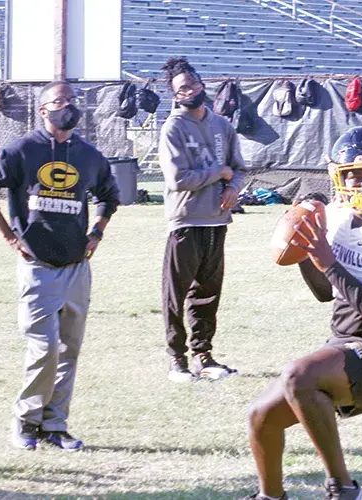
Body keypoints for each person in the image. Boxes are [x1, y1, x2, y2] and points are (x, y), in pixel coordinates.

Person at [244, 127, 362, 500]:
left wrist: (328, 261)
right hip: (344, 344)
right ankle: (270, 497)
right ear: (338, 177)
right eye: (355, 175)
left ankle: (345, 490)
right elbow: (323, 292)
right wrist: (305, 247)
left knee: (299, 375)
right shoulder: (337, 218)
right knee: (261, 417)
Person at [0, 81, 120, 451]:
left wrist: (96, 232)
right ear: (42, 110)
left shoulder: (88, 155)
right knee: (45, 348)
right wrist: (10, 237)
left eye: (71, 100)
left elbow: (109, 195)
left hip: (76, 268)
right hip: (38, 265)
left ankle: (55, 425)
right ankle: (25, 421)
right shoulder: (23, 150)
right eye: (58, 101)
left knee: (69, 350)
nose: (67, 106)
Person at [159, 57, 247, 382]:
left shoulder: (222, 125)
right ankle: (176, 359)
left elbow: (239, 169)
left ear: (202, 84)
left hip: (217, 221)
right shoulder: (173, 128)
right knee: (176, 294)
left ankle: (203, 355)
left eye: (193, 84)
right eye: (183, 89)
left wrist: (233, 188)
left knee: (208, 292)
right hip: (186, 220)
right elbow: (177, 179)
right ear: (175, 95)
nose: (191, 91)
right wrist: (218, 173)